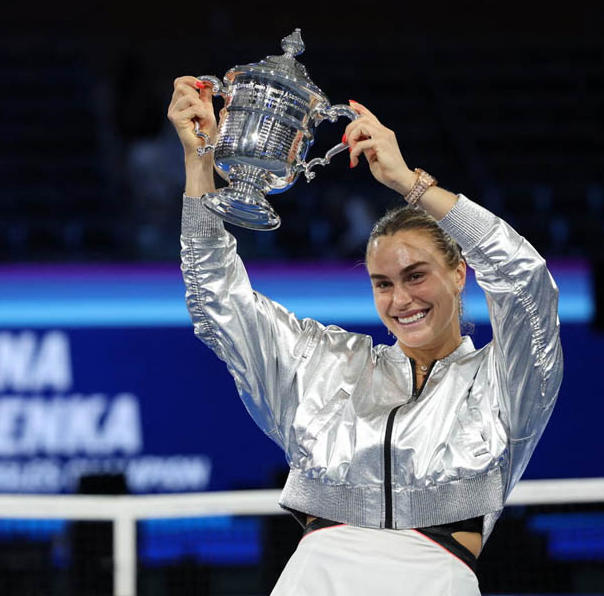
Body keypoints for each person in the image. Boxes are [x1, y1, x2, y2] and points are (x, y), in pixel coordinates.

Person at [170, 76, 563, 595]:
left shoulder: (505, 385)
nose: (402, 300)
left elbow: (525, 282)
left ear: (459, 273)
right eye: (383, 284)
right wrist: (199, 158)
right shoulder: (326, 364)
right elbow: (216, 300)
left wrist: (410, 183)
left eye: (416, 275)